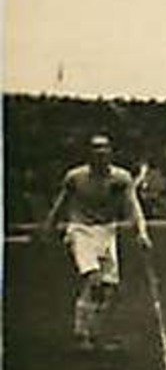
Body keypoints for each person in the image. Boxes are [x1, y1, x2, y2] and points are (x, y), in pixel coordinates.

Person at [41, 133, 152, 352]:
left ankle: (96, 335)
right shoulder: (75, 177)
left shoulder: (121, 178)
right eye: (95, 148)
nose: (100, 152)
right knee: (93, 281)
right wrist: (49, 228)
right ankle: (82, 335)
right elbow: (60, 204)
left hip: (107, 231)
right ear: (88, 153)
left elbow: (133, 206)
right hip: (81, 230)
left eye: (104, 148)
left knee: (109, 288)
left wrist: (141, 232)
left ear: (111, 152)